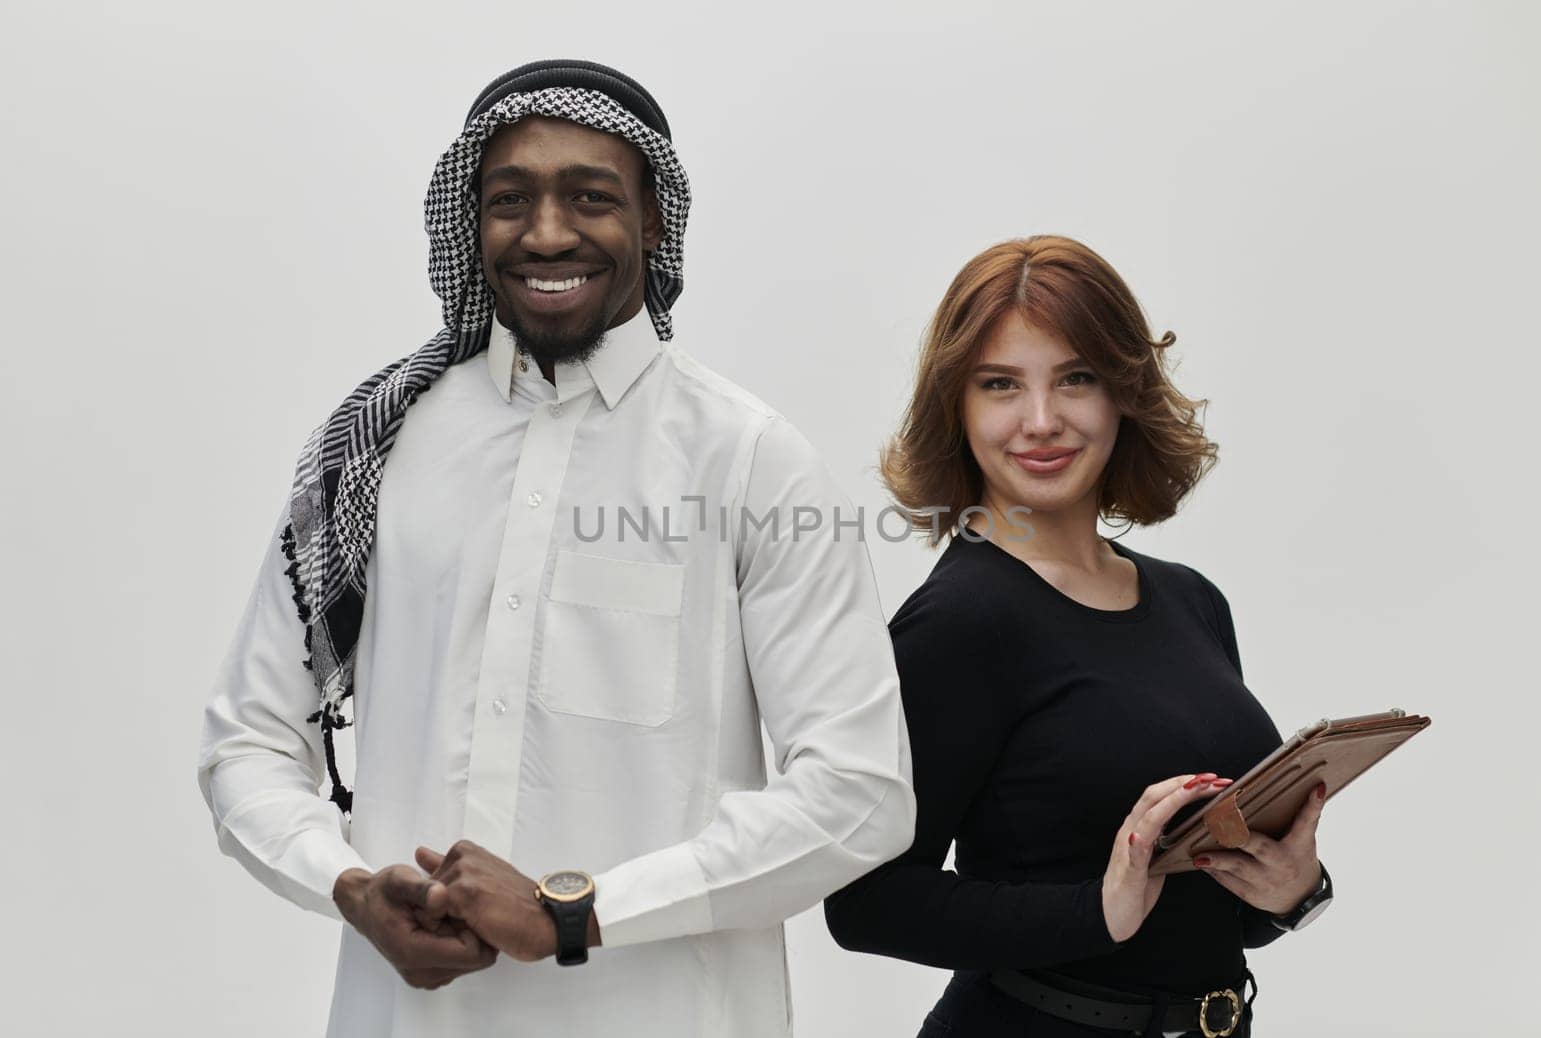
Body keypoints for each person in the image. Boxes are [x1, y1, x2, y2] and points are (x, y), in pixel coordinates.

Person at [197, 59, 915, 1037]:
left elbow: (859, 793)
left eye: (589, 197)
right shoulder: (375, 448)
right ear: (469, 220)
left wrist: (577, 916)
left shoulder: (751, 462)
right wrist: (347, 882)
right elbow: (246, 742)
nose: (545, 234)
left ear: (655, 219)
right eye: (509, 199)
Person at [823, 236, 1333, 1038]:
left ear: (1124, 394)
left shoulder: (1192, 600)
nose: (1041, 420)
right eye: (1000, 385)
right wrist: (1095, 909)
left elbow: (1211, 919)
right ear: (955, 406)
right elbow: (865, 904)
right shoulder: (960, 622)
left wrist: (1290, 890)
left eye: (1076, 379)